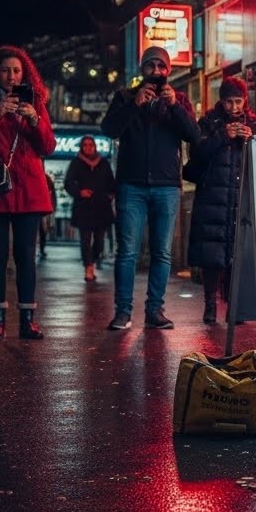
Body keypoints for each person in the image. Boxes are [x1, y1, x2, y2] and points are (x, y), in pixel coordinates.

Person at [100, 45, 199, 330]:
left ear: (168, 71)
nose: (156, 72)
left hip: (167, 186)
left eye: (161, 67)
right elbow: (109, 130)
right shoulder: (124, 97)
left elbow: (194, 135)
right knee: (127, 251)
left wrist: (175, 107)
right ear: (142, 69)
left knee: (162, 252)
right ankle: (123, 312)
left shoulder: (178, 99)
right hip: (132, 185)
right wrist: (134, 105)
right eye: (150, 66)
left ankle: (155, 310)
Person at [0, 45, 57, 341]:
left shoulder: (36, 103)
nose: (12, 77)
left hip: (28, 189)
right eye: (5, 70)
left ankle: (28, 320)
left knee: (26, 256)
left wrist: (34, 120)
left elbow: (48, 147)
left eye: (17, 71)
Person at [186, 76, 256, 324]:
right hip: (214, 195)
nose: (234, 107)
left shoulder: (255, 122)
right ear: (221, 100)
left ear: (245, 100)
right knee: (212, 253)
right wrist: (222, 135)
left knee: (237, 253)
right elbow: (196, 153)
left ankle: (234, 307)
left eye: (238, 101)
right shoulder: (208, 122)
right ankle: (209, 305)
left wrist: (253, 140)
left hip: (241, 194)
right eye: (228, 102)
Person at [63, 135, 116, 283]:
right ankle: (88, 267)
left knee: (99, 242)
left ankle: (92, 261)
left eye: (90, 145)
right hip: (83, 208)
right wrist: (79, 192)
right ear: (81, 147)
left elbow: (112, 183)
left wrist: (110, 194)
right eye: (85, 145)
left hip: (101, 208)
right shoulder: (76, 163)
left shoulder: (103, 163)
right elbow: (68, 183)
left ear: (95, 146)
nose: (88, 147)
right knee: (85, 241)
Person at [37, 172, 56, 259]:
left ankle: (41, 249)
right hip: (42, 209)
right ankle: (41, 249)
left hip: (41, 209)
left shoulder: (46, 178)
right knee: (42, 231)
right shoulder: (46, 178)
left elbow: (53, 195)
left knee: (41, 231)